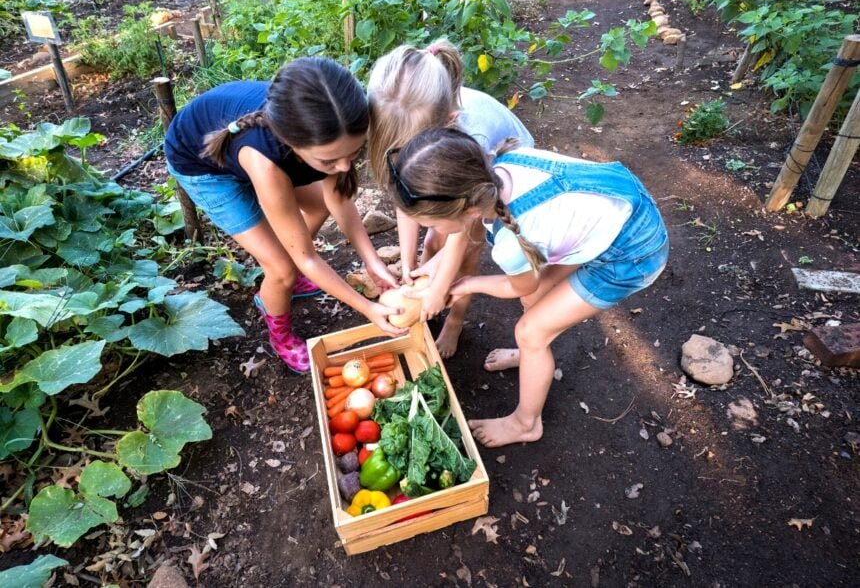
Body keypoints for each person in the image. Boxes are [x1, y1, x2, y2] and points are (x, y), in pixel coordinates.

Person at [385, 127, 669, 447]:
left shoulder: (512, 241)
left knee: (530, 331)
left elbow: (516, 286)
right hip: (616, 207)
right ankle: (531, 357)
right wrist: (434, 270)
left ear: (469, 208)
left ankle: (526, 423)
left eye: (432, 225)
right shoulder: (496, 173)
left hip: (630, 252)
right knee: (536, 299)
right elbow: (465, 231)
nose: (430, 231)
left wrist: (465, 284)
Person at [165, 57, 405, 374]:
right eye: (330, 160)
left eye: (354, 153)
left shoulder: (329, 128)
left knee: (317, 206)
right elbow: (308, 259)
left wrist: (373, 263)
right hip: (201, 165)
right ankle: (280, 332)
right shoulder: (267, 163)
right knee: (281, 269)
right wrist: (368, 308)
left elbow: (340, 203)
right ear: (293, 144)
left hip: (245, 151)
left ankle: (286, 271)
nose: (345, 167)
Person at [367, 39, 534, 359]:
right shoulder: (404, 123)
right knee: (432, 245)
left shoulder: (473, 139)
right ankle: (428, 295)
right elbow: (405, 198)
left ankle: (455, 320)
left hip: (496, 178)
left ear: (448, 122)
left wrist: (442, 286)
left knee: (464, 253)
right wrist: (408, 262)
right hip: (452, 180)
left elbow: (464, 234)